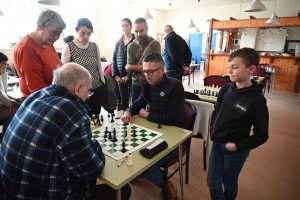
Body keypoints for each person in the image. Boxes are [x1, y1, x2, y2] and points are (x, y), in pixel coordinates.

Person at [0, 63, 131, 200]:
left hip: (10, 190)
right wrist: (95, 144)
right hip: (43, 194)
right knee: (123, 190)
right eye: (89, 91)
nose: (88, 97)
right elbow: (94, 169)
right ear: (78, 88)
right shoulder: (72, 111)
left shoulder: (36, 96)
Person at [207, 48, 269, 200]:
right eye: (229, 66)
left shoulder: (257, 100)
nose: (229, 70)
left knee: (229, 183)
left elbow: (261, 135)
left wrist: (235, 146)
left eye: (235, 67)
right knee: (213, 184)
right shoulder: (226, 88)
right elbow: (216, 111)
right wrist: (212, 128)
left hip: (235, 150)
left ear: (251, 69)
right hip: (217, 144)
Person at [121, 53, 184, 200]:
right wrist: (128, 111)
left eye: (150, 71)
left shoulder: (175, 86)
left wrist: (148, 115)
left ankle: (167, 185)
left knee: (146, 168)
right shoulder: (148, 86)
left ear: (162, 69)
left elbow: (172, 119)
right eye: (144, 71)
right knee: (130, 152)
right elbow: (138, 103)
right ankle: (137, 173)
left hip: (173, 136)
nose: (147, 75)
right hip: (153, 131)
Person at [13, 9, 66, 103]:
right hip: (38, 101)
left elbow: (59, 69)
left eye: (59, 34)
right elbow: (36, 88)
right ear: (40, 26)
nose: (57, 38)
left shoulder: (47, 43)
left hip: (52, 96)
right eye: (54, 32)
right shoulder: (26, 48)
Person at [61, 18, 106, 118]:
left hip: (96, 88)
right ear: (76, 31)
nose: (86, 36)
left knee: (95, 118)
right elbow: (64, 71)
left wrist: (103, 83)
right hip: (79, 92)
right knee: (81, 119)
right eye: (83, 33)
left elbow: (99, 65)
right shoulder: (69, 47)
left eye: (89, 34)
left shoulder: (94, 46)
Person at [126, 17, 161, 103]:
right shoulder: (131, 46)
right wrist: (146, 67)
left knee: (153, 110)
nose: (139, 34)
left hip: (152, 83)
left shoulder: (155, 44)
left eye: (141, 31)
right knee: (136, 112)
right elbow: (129, 67)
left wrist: (133, 67)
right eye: (136, 31)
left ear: (147, 29)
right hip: (136, 84)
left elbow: (154, 66)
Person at [112, 18, 135, 110]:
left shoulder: (136, 41)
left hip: (133, 76)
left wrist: (129, 76)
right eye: (122, 26)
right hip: (121, 77)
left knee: (135, 99)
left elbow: (139, 61)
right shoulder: (118, 42)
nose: (124, 27)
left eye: (126, 25)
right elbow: (113, 60)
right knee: (123, 100)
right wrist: (116, 75)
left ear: (131, 26)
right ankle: (125, 119)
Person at [0, 52, 20, 135]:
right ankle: (7, 135)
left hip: (2, 105)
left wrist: (3, 74)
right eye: (4, 63)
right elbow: (0, 94)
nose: (6, 65)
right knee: (22, 112)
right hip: (1, 108)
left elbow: (4, 89)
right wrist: (10, 103)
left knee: (21, 106)